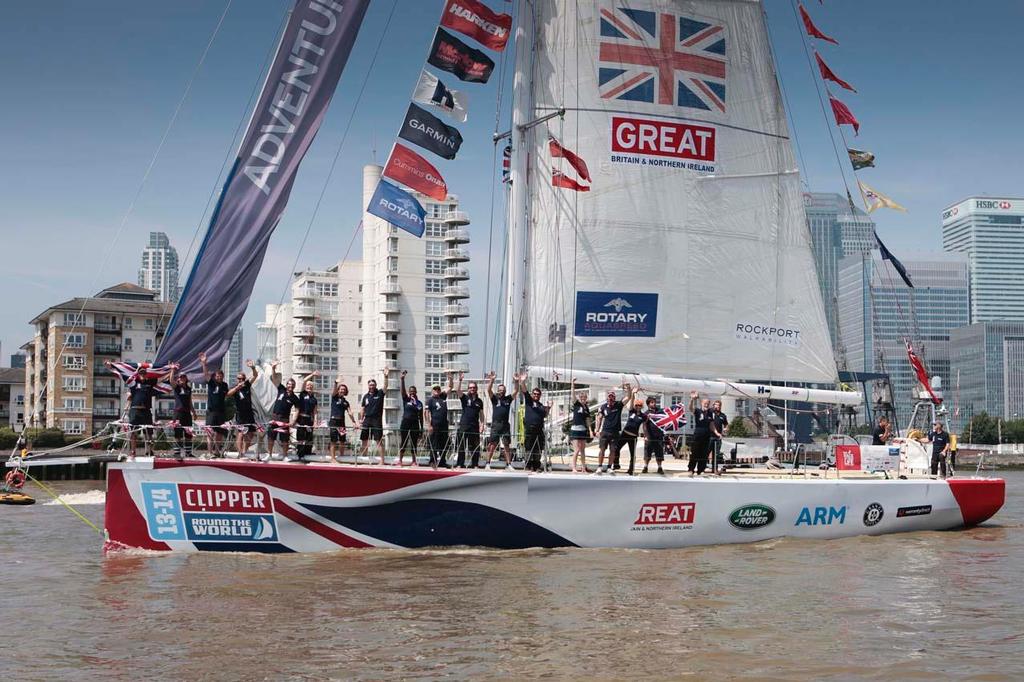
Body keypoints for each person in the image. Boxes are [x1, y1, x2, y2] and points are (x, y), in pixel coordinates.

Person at [268, 360, 308, 460]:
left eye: (292, 385)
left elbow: (297, 410)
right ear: (287, 385)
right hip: (274, 417)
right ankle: (269, 455)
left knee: (284, 439)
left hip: (285, 419)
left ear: (294, 386)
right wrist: (273, 368)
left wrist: (293, 421)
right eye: (289, 384)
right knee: (271, 437)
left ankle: (285, 456)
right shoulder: (281, 389)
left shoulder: (295, 398)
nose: (290, 386)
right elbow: (274, 379)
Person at [595, 381, 635, 473]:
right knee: (602, 450)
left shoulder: (618, 405)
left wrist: (628, 388)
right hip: (605, 431)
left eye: (612, 397)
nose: (611, 398)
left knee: (613, 450)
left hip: (615, 432)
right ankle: (599, 467)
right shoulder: (603, 407)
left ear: (614, 398)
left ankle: (609, 467)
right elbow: (599, 418)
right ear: (607, 398)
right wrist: (597, 430)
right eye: (609, 397)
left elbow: (628, 397)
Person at [485, 371, 521, 470]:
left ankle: (509, 464)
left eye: (503, 390)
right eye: (500, 390)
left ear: (505, 391)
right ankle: (488, 463)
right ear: (498, 391)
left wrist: (517, 381)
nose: (501, 391)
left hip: (505, 425)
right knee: (492, 444)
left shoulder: (508, 399)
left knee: (506, 445)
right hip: (496, 424)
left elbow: (516, 390)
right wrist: (492, 380)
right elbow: (488, 390)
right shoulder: (494, 399)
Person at [199, 352, 229, 457]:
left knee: (219, 433)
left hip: (221, 412)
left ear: (223, 376)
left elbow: (228, 394)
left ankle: (217, 451)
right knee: (210, 432)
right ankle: (209, 452)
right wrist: (204, 363)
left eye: (221, 375)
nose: (219, 377)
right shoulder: (211, 383)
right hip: (211, 411)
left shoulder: (225, 385)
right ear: (215, 376)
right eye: (217, 375)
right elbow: (206, 374)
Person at [226, 360, 259, 459]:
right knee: (240, 433)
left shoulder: (247, 385)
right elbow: (228, 394)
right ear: (237, 379)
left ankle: (245, 451)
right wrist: (237, 388)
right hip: (240, 413)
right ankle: (240, 452)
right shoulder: (235, 387)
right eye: (239, 379)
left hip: (249, 412)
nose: (241, 380)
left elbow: (255, 376)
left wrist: (252, 367)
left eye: (242, 379)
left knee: (251, 432)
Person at [358, 371, 390, 465]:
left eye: (373, 385)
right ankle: (362, 459)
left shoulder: (379, 393)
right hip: (367, 420)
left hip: (376, 420)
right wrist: (361, 419)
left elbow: (385, 386)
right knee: (364, 440)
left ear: (375, 385)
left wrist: (386, 376)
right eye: (370, 385)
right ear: (368, 386)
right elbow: (362, 409)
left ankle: (382, 461)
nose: (371, 386)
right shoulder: (365, 396)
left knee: (378, 440)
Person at [454, 371, 485, 469]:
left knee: (475, 447)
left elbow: (481, 414)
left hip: (474, 426)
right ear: (468, 389)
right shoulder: (465, 398)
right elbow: (457, 390)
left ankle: (475, 464)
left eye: (474, 387)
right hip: (464, 425)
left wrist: (482, 424)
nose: (472, 389)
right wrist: (460, 379)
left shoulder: (480, 401)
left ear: (476, 389)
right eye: (470, 387)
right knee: (462, 446)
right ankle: (460, 464)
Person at [522, 380, 551, 472]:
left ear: (540, 395)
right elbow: (524, 391)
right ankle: (528, 465)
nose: (536, 395)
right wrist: (523, 381)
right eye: (534, 394)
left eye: (538, 394)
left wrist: (549, 408)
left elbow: (545, 415)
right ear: (532, 394)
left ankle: (536, 466)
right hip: (530, 428)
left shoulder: (541, 406)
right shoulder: (529, 401)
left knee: (538, 448)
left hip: (539, 429)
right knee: (528, 448)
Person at [426, 374, 454, 468]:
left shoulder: (442, 397)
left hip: (444, 425)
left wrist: (450, 379)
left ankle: (442, 461)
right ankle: (432, 461)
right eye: (435, 389)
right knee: (434, 443)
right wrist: (429, 425)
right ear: (432, 390)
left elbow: (450, 387)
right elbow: (426, 413)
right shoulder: (430, 400)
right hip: (435, 424)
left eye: (438, 389)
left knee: (444, 444)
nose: (437, 391)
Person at [169, 366, 196, 460]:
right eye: (180, 377)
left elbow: (190, 401)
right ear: (178, 378)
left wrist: (194, 412)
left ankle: (188, 453)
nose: (182, 378)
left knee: (189, 434)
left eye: (183, 377)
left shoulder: (189, 389)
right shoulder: (177, 387)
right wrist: (172, 370)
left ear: (186, 378)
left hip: (187, 413)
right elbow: (171, 380)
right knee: (178, 434)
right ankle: (177, 453)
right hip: (178, 413)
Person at [397, 370, 423, 466]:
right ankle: (400, 460)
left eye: (413, 391)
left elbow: (421, 417)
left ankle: (414, 461)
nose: (412, 393)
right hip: (405, 422)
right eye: (410, 391)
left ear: (416, 392)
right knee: (403, 441)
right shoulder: (406, 399)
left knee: (413, 442)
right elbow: (402, 391)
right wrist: (402, 380)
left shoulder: (419, 403)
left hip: (415, 424)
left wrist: (422, 429)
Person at [327, 378, 356, 464]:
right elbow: (334, 391)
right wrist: (336, 382)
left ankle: (342, 456)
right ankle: (332, 458)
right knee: (333, 440)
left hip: (341, 423)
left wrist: (354, 422)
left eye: (344, 390)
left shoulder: (346, 402)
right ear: (338, 390)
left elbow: (350, 412)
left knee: (342, 440)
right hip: (333, 421)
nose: (342, 391)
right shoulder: (334, 397)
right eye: (341, 389)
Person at [614, 401, 645, 476]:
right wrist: (633, 394)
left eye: (640, 405)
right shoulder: (632, 411)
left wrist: (645, 435)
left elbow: (645, 425)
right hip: (625, 434)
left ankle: (631, 469)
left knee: (632, 454)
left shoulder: (643, 416)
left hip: (633, 436)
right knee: (616, 448)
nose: (638, 407)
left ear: (642, 406)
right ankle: (616, 464)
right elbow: (630, 404)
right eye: (637, 405)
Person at [568, 378, 592, 473]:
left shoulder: (586, 408)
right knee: (576, 450)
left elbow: (588, 420)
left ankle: (583, 467)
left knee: (583, 450)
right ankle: (574, 467)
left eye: (584, 397)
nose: (583, 399)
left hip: (583, 430)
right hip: (575, 429)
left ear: (586, 398)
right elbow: (572, 395)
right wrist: (572, 385)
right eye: (581, 397)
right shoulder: (576, 404)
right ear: (579, 398)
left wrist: (590, 430)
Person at [688, 390, 712, 475]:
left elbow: (711, 424)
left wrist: (717, 433)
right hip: (698, 435)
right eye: (705, 403)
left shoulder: (710, 413)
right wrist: (692, 399)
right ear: (701, 403)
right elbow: (690, 408)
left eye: (708, 403)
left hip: (706, 436)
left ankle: (701, 470)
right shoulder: (698, 411)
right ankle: (691, 469)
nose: (706, 405)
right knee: (694, 453)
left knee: (704, 454)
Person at [295, 378, 319, 461]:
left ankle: (308, 453)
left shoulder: (314, 399)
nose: (309, 387)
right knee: (301, 437)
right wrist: (312, 375)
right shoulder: (302, 394)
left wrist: (315, 422)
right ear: (305, 386)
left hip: (309, 419)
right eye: (308, 385)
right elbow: (303, 380)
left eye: (311, 386)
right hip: (301, 418)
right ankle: (300, 454)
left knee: (309, 437)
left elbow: (315, 412)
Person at [642, 396, 666, 475]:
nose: (654, 403)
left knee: (659, 452)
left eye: (654, 402)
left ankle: (659, 467)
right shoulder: (646, 413)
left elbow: (666, 417)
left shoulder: (660, 411)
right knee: (647, 452)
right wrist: (645, 436)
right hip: (649, 436)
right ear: (648, 404)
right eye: (652, 402)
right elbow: (644, 425)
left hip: (658, 436)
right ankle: (645, 467)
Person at [709, 399, 728, 473]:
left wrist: (726, 428)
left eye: (719, 405)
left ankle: (715, 469)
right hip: (709, 436)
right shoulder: (710, 413)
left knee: (716, 454)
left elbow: (726, 424)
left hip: (718, 437)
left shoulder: (723, 415)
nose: (718, 406)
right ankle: (702, 468)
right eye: (716, 405)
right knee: (706, 452)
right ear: (713, 405)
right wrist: (712, 408)